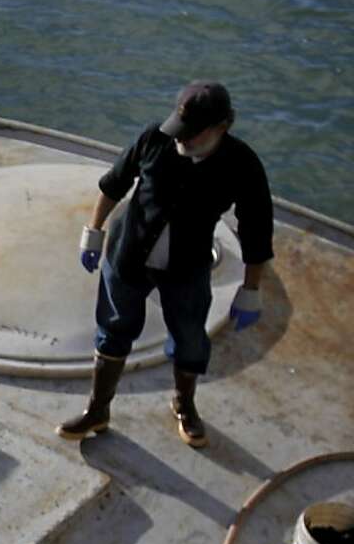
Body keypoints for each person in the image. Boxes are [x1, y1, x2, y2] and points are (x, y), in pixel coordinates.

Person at [57, 81, 273, 448]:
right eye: (179, 128)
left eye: (192, 133)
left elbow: (257, 232)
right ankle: (98, 409)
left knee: (190, 338)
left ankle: (184, 404)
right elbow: (114, 185)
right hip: (127, 256)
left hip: (186, 268)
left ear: (223, 126)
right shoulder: (154, 138)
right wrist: (93, 232)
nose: (182, 138)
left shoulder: (243, 165)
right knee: (113, 329)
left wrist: (250, 289)